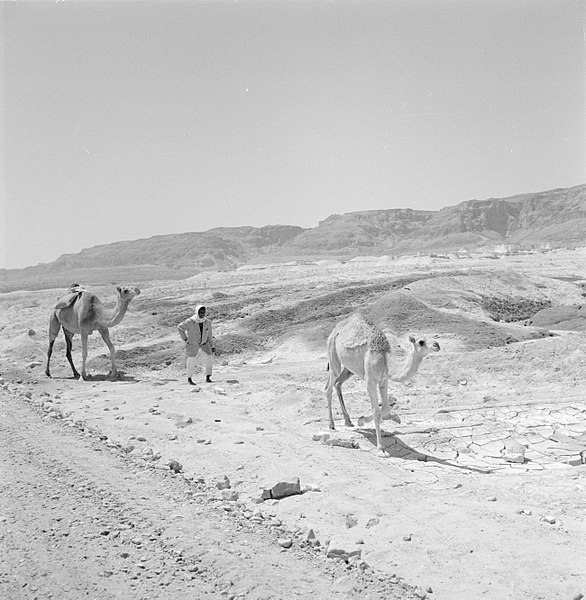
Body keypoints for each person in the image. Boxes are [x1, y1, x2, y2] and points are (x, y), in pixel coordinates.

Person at [177, 305, 215, 385]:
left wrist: (212, 346)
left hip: (204, 342)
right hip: (193, 344)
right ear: (197, 312)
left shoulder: (207, 322)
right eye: (200, 312)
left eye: (203, 312)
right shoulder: (190, 321)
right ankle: (189, 378)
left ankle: (208, 376)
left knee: (210, 358)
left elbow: (209, 335)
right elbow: (180, 327)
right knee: (191, 360)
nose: (202, 314)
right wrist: (185, 339)